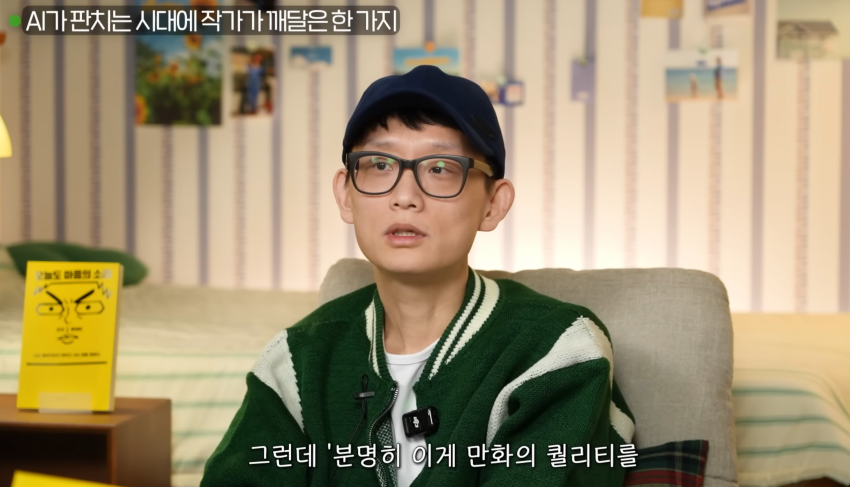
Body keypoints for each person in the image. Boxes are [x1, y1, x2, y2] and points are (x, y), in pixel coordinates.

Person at [200, 65, 634, 487]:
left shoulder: (559, 348)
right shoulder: (296, 359)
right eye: (379, 165)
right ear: (346, 195)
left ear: (493, 204)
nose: (404, 196)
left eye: (440, 168)